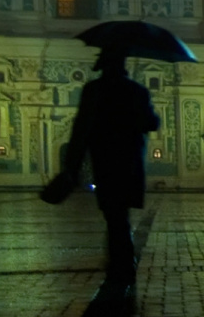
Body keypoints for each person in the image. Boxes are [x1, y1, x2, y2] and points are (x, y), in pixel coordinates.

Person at [45, 49, 159, 288]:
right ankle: (123, 264)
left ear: (104, 67)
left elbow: (80, 131)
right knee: (120, 216)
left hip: (106, 163)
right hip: (129, 165)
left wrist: (71, 168)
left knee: (114, 215)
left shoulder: (94, 90)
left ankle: (121, 265)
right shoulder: (137, 91)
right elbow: (151, 122)